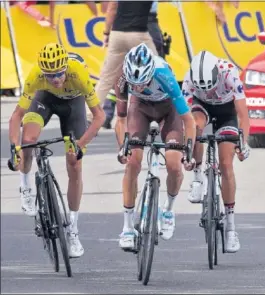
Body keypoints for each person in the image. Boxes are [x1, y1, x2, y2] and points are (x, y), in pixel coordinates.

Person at [7, 43, 105, 258]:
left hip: (73, 105)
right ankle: (25, 187)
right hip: (44, 100)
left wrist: (81, 144)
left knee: (75, 164)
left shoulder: (78, 72)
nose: (56, 79)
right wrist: (14, 147)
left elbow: (99, 117)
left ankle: (73, 230)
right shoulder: (36, 75)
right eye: (50, 75)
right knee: (29, 139)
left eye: (59, 73)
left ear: (66, 68)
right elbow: (16, 115)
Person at [113, 43, 196, 250]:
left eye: (142, 82)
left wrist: (189, 151)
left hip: (168, 109)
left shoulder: (163, 75)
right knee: (132, 162)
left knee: (174, 165)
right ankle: (127, 227)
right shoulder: (122, 78)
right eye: (135, 84)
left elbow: (189, 121)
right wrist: (123, 146)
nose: (138, 87)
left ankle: (168, 210)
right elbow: (121, 119)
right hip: (139, 108)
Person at [181, 50, 250, 253]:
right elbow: (185, 120)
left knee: (227, 164)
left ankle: (230, 227)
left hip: (227, 112)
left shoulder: (229, 73)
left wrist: (242, 144)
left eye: (210, 87)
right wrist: (187, 152)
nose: (209, 92)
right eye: (204, 89)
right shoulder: (188, 78)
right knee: (195, 125)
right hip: (201, 108)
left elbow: (243, 116)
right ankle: (197, 177)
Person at [102, 0, 167, 129]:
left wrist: (107, 32)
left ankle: (106, 113)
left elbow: (112, 6)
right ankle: (163, 112)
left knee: (118, 70)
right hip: (147, 21)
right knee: (157, 68)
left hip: (122, 23)